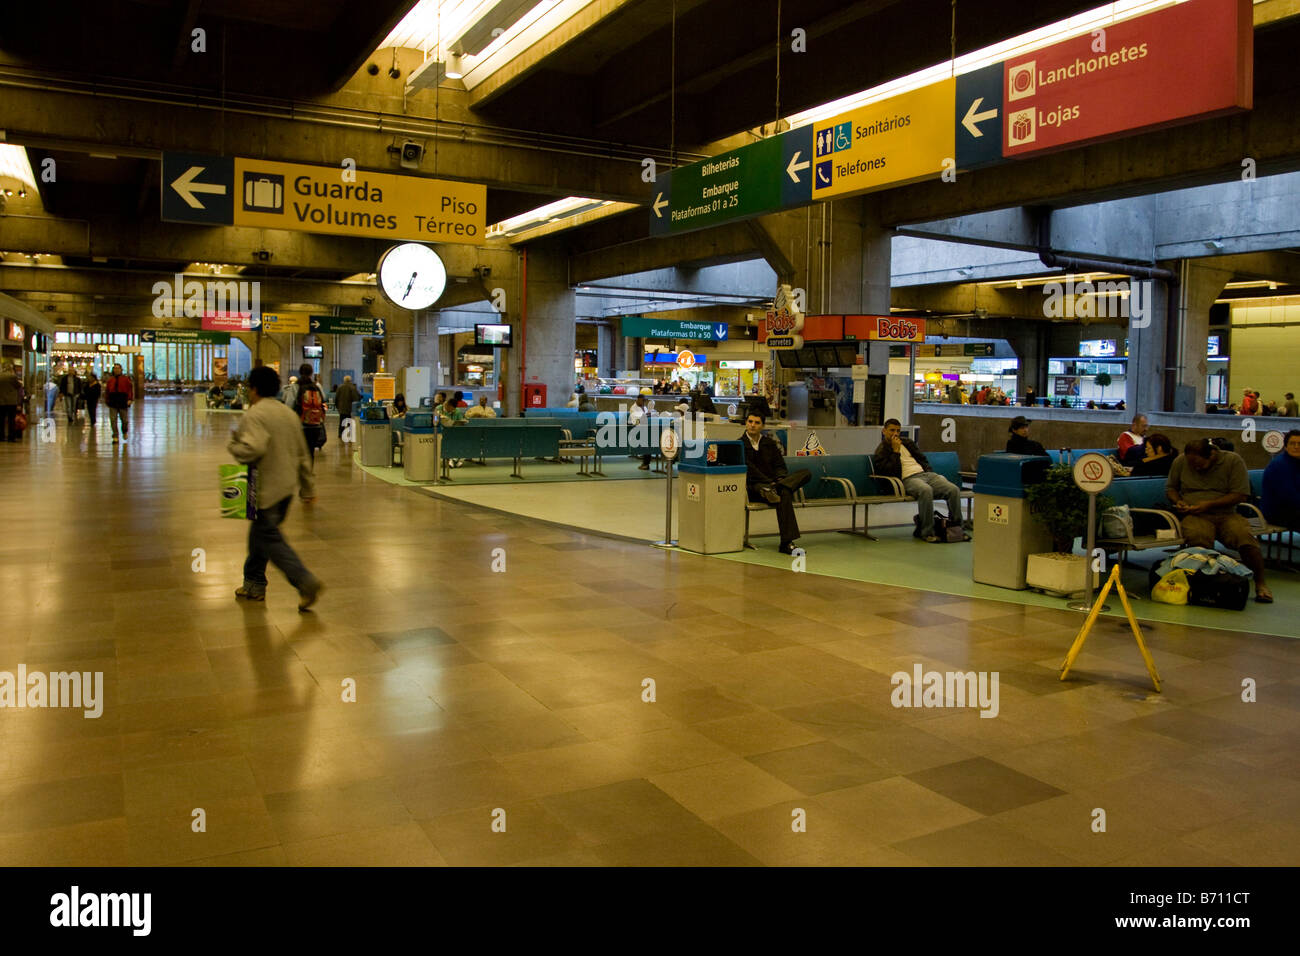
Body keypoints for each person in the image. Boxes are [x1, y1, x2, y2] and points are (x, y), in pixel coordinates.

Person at [227, 365, 323, 610]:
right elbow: (303, 455)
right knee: (259, 535)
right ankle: (253, 583)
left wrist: (234, 445)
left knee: (269, 538)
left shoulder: (255, 414)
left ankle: (304, 581)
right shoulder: (288, 414)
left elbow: (253, 449)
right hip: (286, 491)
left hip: (264, 489)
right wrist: (308, 489)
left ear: (254, 388)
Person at [1166, 438, 1271, 603]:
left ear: (1212, 455)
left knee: (1244, 537)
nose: (1196, 468)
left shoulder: (1232, 461)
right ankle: (1202, 585)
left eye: (1200, 465)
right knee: (1198, 539)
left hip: (1226, 513)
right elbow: (1171, 488)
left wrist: (1209, 505)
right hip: (1194, 515)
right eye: (1192, 465)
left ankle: (1260, 583)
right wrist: (1178, 501)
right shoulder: (1181, 461)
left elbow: (1240, 494)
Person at [873, 419, 969, 543]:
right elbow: (890, 472)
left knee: (953, 490)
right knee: (925, 490)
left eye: (898, 430)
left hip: (925, 475)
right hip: (907, 479)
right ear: (884, 431)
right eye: (892, 430)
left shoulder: (907, 443)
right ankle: (927, 532)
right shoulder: (882, 450)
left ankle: (957, 529)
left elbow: (922, 459)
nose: (895, 434)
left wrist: (928, 471)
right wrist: (895, 452)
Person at [743, 411, 810, 554]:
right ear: (746, 423)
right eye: (750, 422)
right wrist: (769, 482)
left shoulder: (769, 444)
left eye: (756, 422)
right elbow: (749, 470)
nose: (752, 425)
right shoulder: (739, 444)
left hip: (774, 486)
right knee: (785, 492)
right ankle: (787, 543)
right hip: (756, 487)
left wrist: (779, 479)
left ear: (762, 426)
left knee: (805, 474)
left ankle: (776, 488)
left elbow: (780, 466)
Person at [1261, 430, 1300, 530]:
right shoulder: (1279, 466)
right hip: (1278, 512)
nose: (1296, 446)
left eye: (1299, 444)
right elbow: (1289, 496)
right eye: (1292, 443)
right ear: (1286, 446)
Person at [292, 364, 327, 466]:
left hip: (300, 423)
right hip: (315, 423)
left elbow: (290, 404)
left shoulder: (296, 386)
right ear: (311, 373)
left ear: (300, 372)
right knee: (310, 451)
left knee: (299, 451)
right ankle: (309, 471)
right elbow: (323, 400)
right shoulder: (317, 386)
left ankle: (299, 474)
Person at [103, 363, 133, 442]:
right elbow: (107, 391)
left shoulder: (126, 379)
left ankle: (124, 431)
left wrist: (130, 399)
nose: (116, 370)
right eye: (115, 368)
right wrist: (107, 400)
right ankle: (115, 435)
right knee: (113, 419)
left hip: (123, 400)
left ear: (121, 370)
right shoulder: (110, 380)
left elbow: (130, 389)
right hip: (113, 400)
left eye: (118, 368)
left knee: (124, 420)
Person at [629, 393, 653, 469]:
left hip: (646, 427)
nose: (643, 402)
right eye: (642, 401)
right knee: (647, 443)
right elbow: (637, 418)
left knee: (649, 443)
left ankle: (646, 463)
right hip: (637, 429)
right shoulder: (633, 408)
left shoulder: (644, 407)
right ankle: (645, 463)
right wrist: (646, 415)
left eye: (644, 401)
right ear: (638, 399)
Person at [334, 374, 360, 441]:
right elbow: (356, 398)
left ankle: (340, 434)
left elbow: (336, 398)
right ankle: (351, 435)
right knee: (350, 423)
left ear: (344, 380)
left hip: (342, 408)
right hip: (350, 409)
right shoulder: (353, 388)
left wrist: (337, 407)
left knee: (341, 422)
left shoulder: (340, 387)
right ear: (350, 380)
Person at [0, 364, 20, 442]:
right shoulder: (12, 376)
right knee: (11, 420)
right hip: (11, 402)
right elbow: (18, 386)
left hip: (1, 401)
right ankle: (11, 437)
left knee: (1, 419)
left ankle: (1, 436)